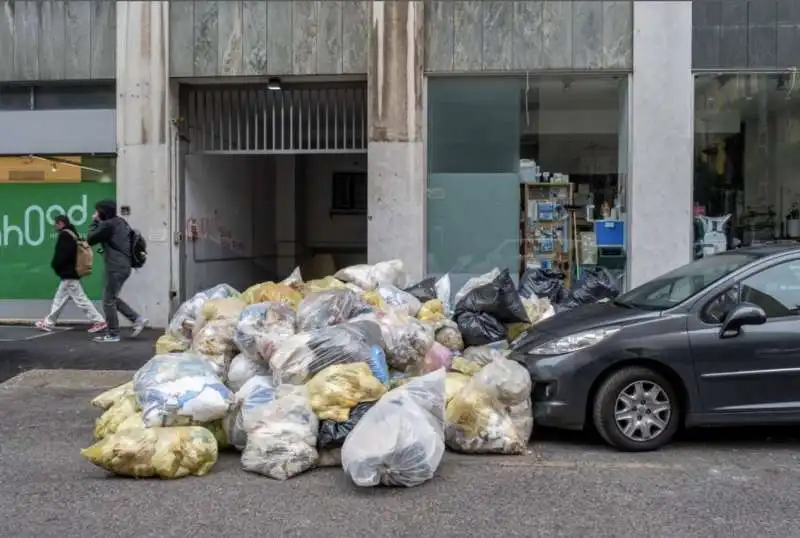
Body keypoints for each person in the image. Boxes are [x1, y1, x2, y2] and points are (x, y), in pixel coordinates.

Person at [87, 199, 149, 343]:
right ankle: (137, 319)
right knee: (112, 297)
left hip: (114, 266)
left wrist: (95, 222)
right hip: (124, 266)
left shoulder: (108, 225)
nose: (95, 213)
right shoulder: (121, 222)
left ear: (103, 212)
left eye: (97, 211)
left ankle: (113, 334)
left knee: (108, 300)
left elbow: (90, 239)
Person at [35, 215, 107, 333]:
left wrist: (55, 265)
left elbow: (62, 255)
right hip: (72, 272)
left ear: (61, 223)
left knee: (80, 299)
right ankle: (48, 323)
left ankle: (99, 321)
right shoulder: (74, 234)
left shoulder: (65, 235)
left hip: (69, 273)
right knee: (60, 299)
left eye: (56, 223)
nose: (54, 226)